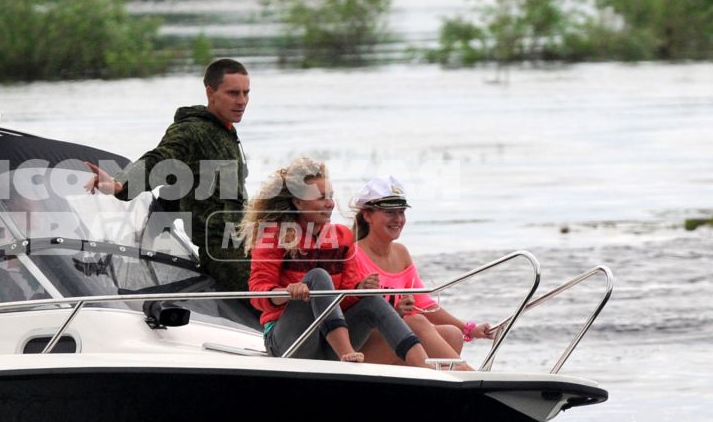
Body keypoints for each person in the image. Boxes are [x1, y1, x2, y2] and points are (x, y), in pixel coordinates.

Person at [86, 58, 251, 295]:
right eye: (233, 93)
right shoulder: (192, 131)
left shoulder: (224, 131)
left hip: (243, 244)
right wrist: (119, 184)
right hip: (225, 257)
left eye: (246, 93)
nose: (242, 101)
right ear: (210, 92)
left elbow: (183, 190)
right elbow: (160, 160)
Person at [245, 157, 426, 366]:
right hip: (289, 343)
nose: (330, 203)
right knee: (317, 277)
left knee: (372, 298)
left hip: (326, 343)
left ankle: (426, 365)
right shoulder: (273, 235)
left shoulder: (342, 237)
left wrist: (358, 289)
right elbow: (257, 292)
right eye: (321, 198)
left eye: (330, 196)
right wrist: (287, 293)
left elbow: (342, 299)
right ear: (298, 202)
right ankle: (346, 355)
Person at [351, 176, 494, 367]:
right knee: (416, 323)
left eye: (401, 212)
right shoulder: (352, 255)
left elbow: (424, 304)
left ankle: (440, 388)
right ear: (367, 215)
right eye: (389, 212)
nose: (398, 219)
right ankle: (467, 376)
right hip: (357, 350)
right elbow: (349, 314)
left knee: (452, 334)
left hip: (394, 341)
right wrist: (395, 312)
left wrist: (468, 329)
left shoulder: (401, 253)